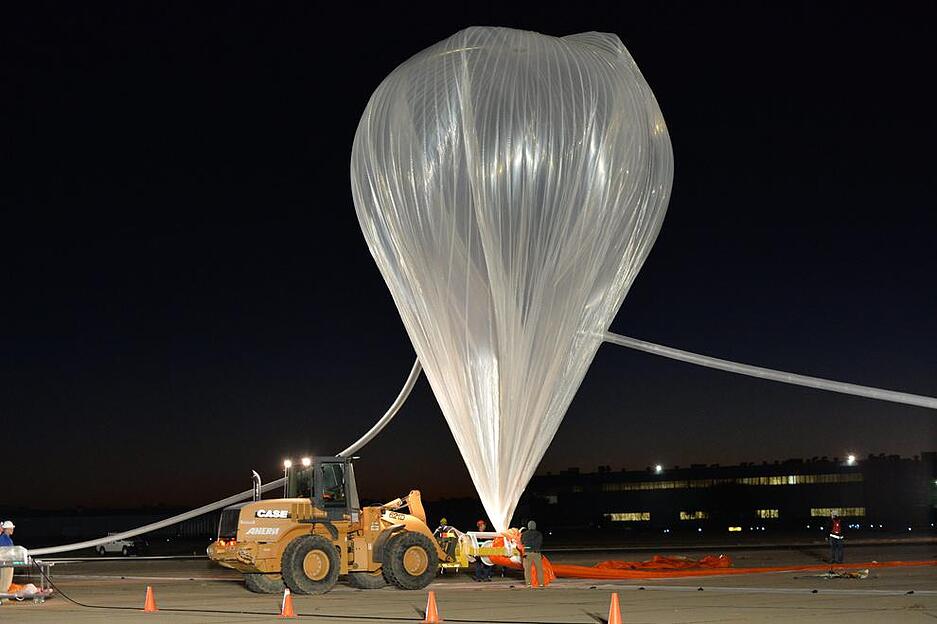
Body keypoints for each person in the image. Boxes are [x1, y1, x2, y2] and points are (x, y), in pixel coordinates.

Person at [521, 520, 544, 588]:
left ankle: (528, 583)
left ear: (528, 526)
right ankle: (541, 583)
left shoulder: (524, 534)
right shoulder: (539, 534)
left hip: (527, 553)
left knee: (527, 569)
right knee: (539, 569)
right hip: (536, 553)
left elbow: (522, 542)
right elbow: (540, 543)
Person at [0, 521, 14, 594]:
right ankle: (3, 596)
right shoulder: (2, 538)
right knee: (5, 580)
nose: (12, 530)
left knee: (7, 580)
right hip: (5, 562)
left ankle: (4, 595)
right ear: (6, 529)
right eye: (11, 528)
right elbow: (2, 551)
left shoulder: (8, 539)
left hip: (9, 562)